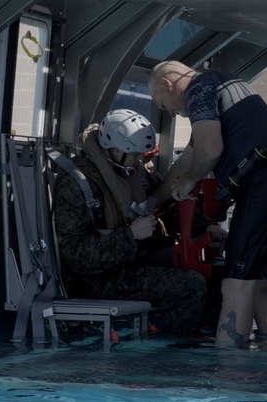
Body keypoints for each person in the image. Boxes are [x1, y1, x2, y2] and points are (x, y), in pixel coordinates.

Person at [149, 60, 267, 346]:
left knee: (234, 285)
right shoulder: (219, 85)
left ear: (167, 84)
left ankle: (230, 380)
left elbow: (210, 150)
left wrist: (189, 181)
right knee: (255, 285)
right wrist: (151, 201)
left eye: (163, 106)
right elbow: (187, 160)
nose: (171, 113)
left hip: (264, 183)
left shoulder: (198, 89)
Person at [53, 109, 208, 336]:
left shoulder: (129, 171)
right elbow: (73, 252)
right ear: (115, 150)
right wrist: (130, 235)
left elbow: (164, 204)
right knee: (191, 286)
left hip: (131, 263)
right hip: (97, 279)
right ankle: (175, 352)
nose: (141, 160)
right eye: (136, 154)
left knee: (212, 276)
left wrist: (205, 226)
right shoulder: (77, 184)